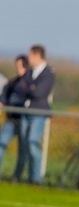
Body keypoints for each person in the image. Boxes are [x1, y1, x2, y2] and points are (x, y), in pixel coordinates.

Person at [19, 44, 55, 184]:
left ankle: (36, 179)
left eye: (30, 55)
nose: (28, 58)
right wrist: (30, 88)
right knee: (25, 145)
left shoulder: (48, 73)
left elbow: (39, 93)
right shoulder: (30, 72)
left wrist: (30, 88)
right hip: (26, 112)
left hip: (38, 113)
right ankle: (25, 176)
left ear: (36, 55)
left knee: (33, 143)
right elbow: (21, 88)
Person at [0, 55, 29, 180]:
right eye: (17, 66)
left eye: (21, 66)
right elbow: (4, 98)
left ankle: (16, 176)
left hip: (24, 120)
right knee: (1, 144)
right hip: (11, 120)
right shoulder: (12, 83)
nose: (19, 68)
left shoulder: (29, 84)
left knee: (22, 150)